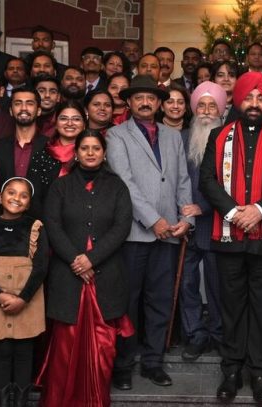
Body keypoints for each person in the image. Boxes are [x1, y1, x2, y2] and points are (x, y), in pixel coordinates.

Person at [199, 72, 262, 403]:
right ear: (239, 101)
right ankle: (231, 370)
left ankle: (259, 372)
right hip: (228, 237)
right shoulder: (218, 135)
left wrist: (259, 210)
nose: (254, 103)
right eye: (249, 97)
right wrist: (234, 212)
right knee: (231, 307)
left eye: (261, 98)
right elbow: (207, 180)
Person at [106, 75, 194, 390]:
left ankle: (154, 362)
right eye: (139, 98)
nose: (145, 102)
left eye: (151, 98)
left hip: (169, 233)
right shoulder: (116, 135)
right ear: (129, 102)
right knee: (128, 302)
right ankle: (123, 364)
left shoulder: (173, 136)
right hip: (134, 233)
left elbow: (182, 180)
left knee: (160, 300)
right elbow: (123, 182)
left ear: (159, 103)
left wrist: (186, 219)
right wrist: (153, 220)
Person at [38, 131, 134, 406]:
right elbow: (52, 225)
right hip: (67, 277)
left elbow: (122, 227)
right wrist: (75, 260)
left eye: (96, 148)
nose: (90, 153)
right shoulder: (61, 186)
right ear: (76, 153)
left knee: (103, 347)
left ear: (104, 154)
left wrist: (92, 259)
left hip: (106, 276)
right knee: (65, 347)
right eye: (85, 148)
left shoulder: (117, 187)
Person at [0, 177, 49, 407]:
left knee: (24, 351)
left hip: (28, 300)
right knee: (1, 351)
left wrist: (23, 298)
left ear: (29, 203)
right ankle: (3, 401)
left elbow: (41, 267)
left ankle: (22, 401)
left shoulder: (36, 228)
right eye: (11, 193)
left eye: (24, 195)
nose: (16, 198)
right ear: (0, 197)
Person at [179, 81, 228, 361]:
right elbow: (175, 179)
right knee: (187, 283)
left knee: (217, 284)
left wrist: (204, 207)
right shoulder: (183, 137)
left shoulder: (228, 138)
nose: (207, 111)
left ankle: (219, 333)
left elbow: (231, 184)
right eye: (201, 105)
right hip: (186, 224)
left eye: (212, 106)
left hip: (217, 222)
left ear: (221, 110)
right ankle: (195, 334)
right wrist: (185, 213)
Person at [26, 100, 88, 214]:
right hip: (45, 220)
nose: (70, 123)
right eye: (63, 118)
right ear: (56, 123)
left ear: (84, 124)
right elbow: (33, 197)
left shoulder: (91, 156)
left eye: (76, 119)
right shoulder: (42, 155)